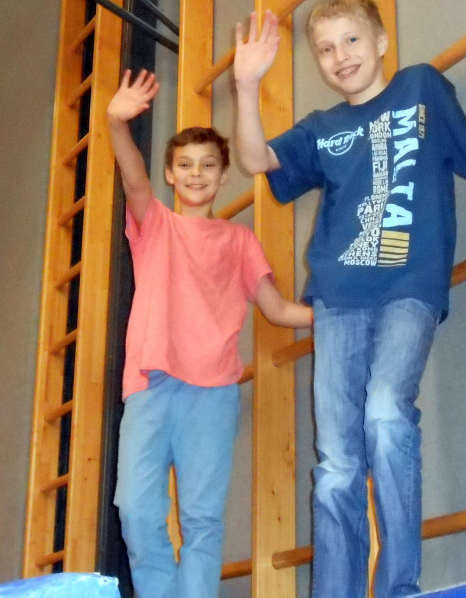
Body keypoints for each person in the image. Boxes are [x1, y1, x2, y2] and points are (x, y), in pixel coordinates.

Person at [232, 0, 466, 598]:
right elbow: (256, 159)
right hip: (338, 298)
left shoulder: (421, 88)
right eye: (326, 49)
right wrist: (246, 87)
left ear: (380, 41)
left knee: (385, 413)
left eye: (352, 41)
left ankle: (398, 585)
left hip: (409, 285)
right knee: (336, 465)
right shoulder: (322, 128)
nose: (340, 57)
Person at [107, 68, 312, 598]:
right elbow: (133, 179)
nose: (196, 174)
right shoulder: (155, 224)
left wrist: (332, 314)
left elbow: (277, 309)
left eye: (208, 165)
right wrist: (116, 123)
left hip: (213, 392)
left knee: (201, 518)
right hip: (150, 387)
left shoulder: (239, 241)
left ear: (223, 176)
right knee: (135, 509)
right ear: (170, 174)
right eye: (185, 165)